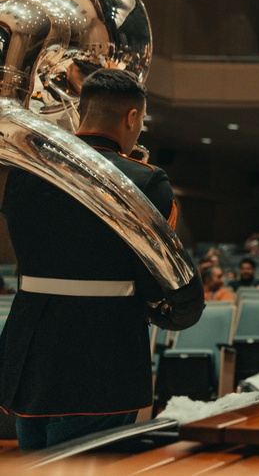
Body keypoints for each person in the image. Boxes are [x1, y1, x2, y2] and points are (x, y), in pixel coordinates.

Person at [0, 69, 203, 449]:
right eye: (140, 122)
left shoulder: (24, 173)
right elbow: (155, 273)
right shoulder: (143, 181)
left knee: (34, 462)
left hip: (29, 352)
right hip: (101, 353)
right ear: (131, 118)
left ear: (81, 111)